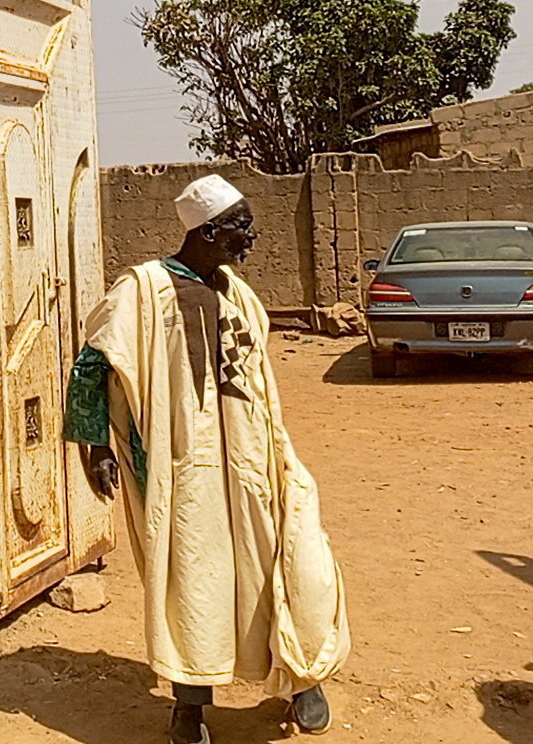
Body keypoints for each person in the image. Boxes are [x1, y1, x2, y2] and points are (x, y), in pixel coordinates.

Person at [64, 175, 349, 743]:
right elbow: (93, 364)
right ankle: (189, 706)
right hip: (181, 471)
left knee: (292, 556)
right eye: (242, 227)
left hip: (254, 460)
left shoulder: (239, 292)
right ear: (209, 230)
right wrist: (95, 446)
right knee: (192, 582)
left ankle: (302, 675)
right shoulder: (143, 289)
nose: (252, 238)